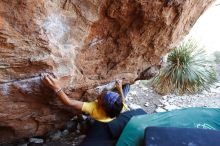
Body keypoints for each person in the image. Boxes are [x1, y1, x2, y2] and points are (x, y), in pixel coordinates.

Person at [41, 73, 129, 122]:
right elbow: (123, 101)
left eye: (100, 97)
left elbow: (68, 102)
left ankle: (87, 119)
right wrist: (120, 88)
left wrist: (56, 87)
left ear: (102, 106)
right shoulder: (118, 107)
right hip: (110, 116)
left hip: (101, 119)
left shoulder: (93, 109)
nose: (99, 95)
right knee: (127, 86)